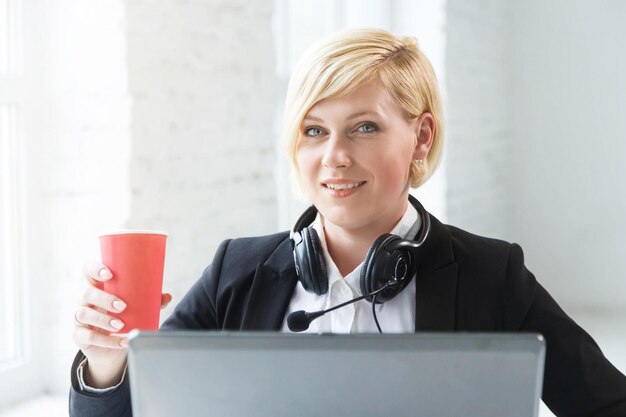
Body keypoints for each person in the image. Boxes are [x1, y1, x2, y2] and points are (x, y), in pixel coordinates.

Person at [69, 28, 626, 416]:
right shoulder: (234, 271)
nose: (334, 156)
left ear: (421, 137)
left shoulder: (493, 274)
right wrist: (106, 364)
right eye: (313, 130)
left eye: (363, 127)